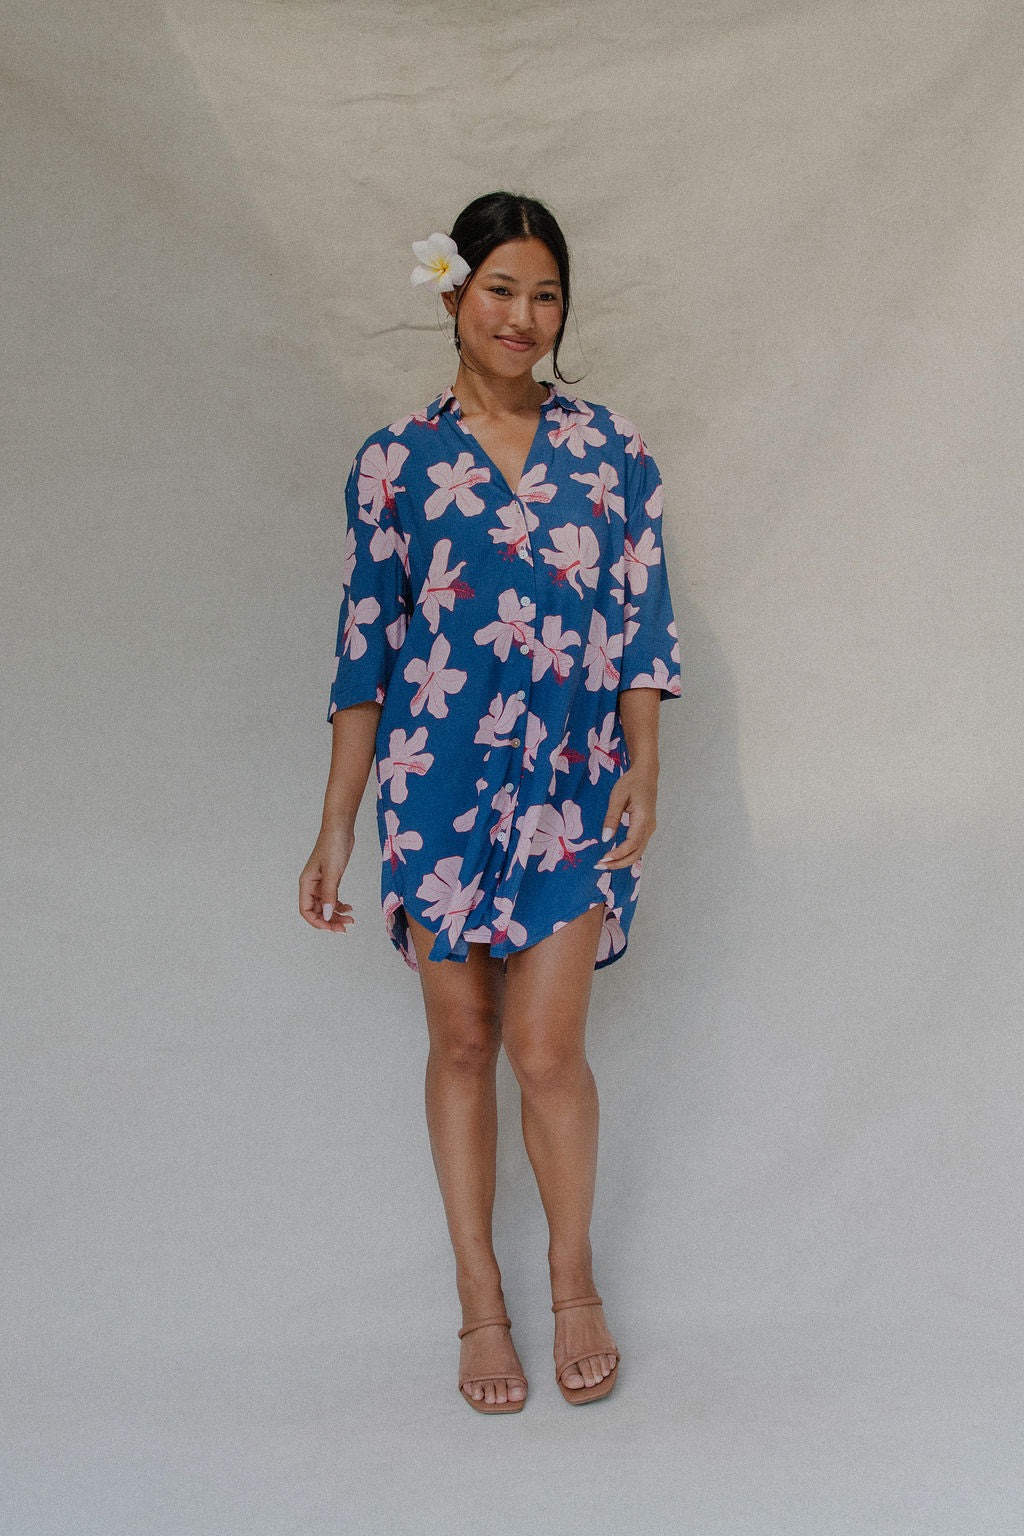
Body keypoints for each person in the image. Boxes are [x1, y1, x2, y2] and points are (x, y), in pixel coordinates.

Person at [300, 192, 681, 1413]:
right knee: (462, 1043)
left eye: (546, 293)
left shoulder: (613, 451)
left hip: (569, 791)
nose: (524, 317)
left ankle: (574, 1281)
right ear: (453, 296)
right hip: (437, 789)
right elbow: (365, 652)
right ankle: (479, 1302)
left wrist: (643, 764)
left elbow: (639, 630)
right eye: (502, 289)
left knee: (545, 1048)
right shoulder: (395, 461)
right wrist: (336, 825)